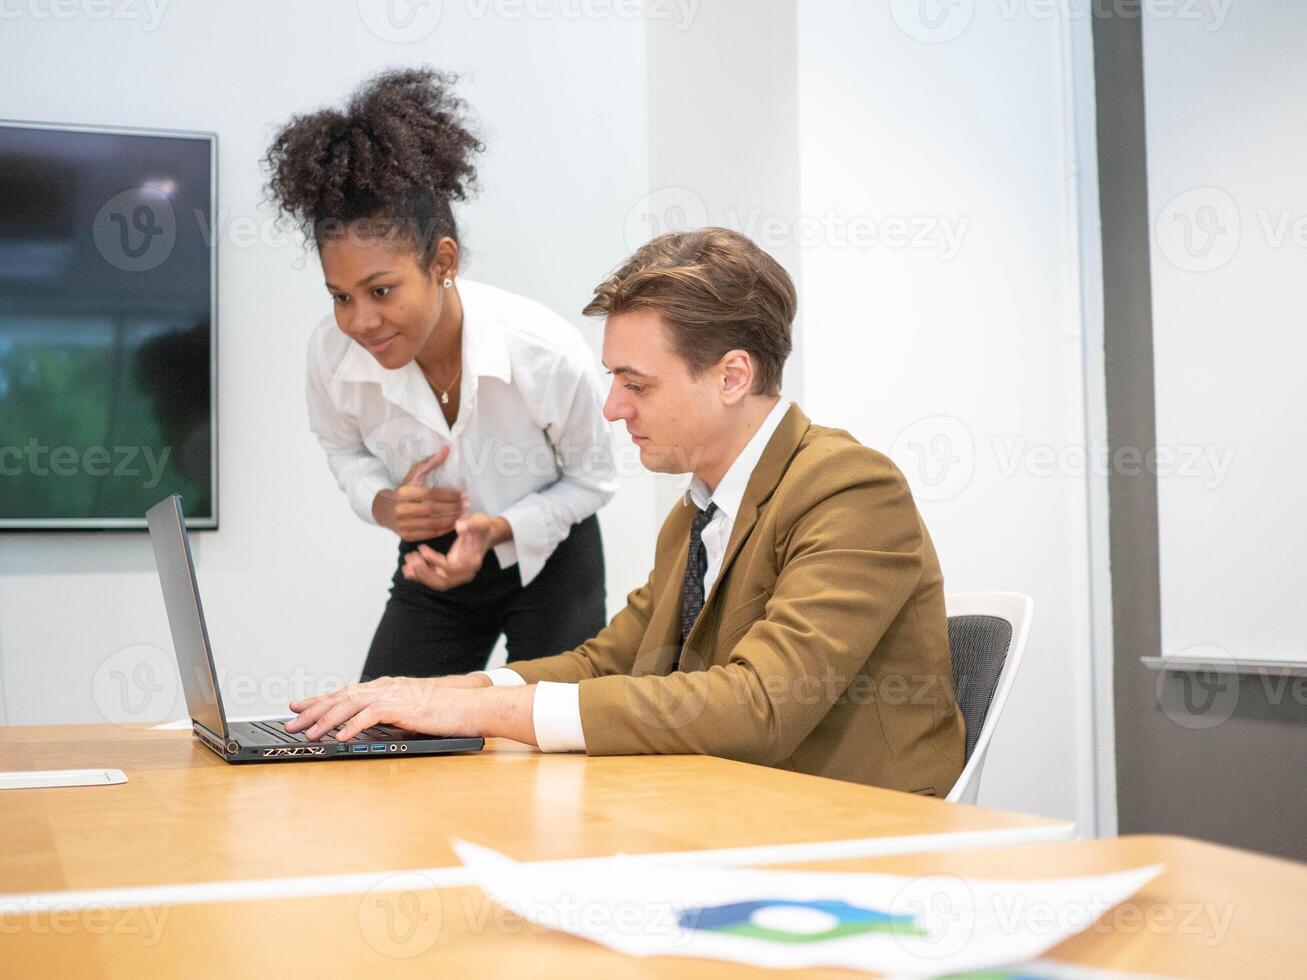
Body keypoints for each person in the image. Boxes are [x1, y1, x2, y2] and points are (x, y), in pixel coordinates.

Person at [287, 227, 966, 794]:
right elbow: (609, 660)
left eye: (635, 384)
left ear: (732, 376)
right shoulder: (698, 511)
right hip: (732, 812)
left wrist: (478, 706)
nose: (612, 408)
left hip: (852, 842)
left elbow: (759, 706)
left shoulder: (848, 490)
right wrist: (440, 693)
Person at [264, 68, 616, 680]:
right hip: (432, 562)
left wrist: (500, 527)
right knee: (382, 737)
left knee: (548, 739)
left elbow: (594, 479)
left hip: (551, 559)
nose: (361, 320)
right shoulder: (331, 356)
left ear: (442, 262)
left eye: (380, 290)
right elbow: (342, 448)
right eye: (340, 296)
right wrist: (383, 505)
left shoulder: (543, 351)